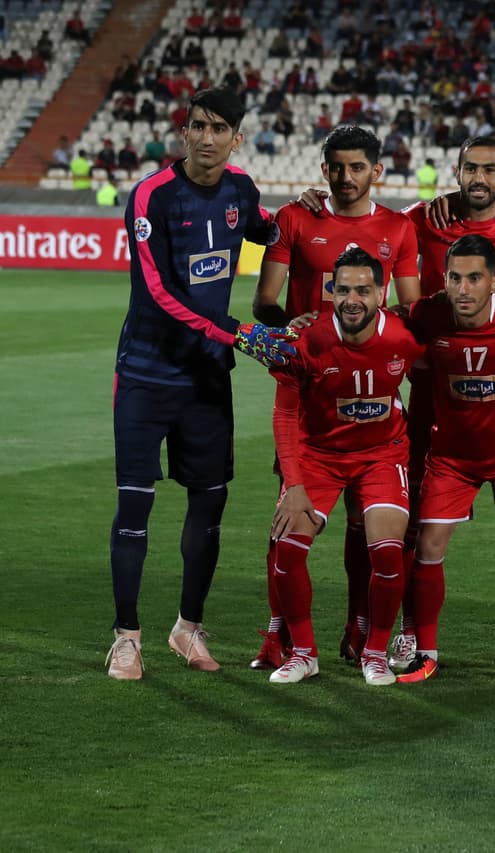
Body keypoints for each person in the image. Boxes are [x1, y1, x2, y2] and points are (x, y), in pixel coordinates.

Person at [106, 87, 297, 680]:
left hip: (207, 382)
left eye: (219, 128)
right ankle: (126, 637)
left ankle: (187, 628)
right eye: (198, 126)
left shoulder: (241, 189)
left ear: (236, 137)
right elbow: (159, 295)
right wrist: (239, 333)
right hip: (146, 373)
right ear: (184, 132)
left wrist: (306, 211)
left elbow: (271, 232)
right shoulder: (151, 195)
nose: (207, 137)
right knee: (135, 507)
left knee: (208, 507)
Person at [249, 124, 420, 671]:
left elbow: (412, 312)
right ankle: (280, 637)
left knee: (363, 527)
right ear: (323, 168)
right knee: (288, 521)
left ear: (377, 171)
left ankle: (359, 630)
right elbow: (265, 303)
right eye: (337, 167)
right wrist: (289, 328)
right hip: (309, 386)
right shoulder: (295, 218)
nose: (347, 177)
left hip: (369, 391)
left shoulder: (399, 227)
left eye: (357, 167)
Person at [400, 136, 495, 669]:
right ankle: (414, 638)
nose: (479, 177)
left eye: (489, 168)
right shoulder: (425, 220)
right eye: (469, 168)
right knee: (417, 530)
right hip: (439, 408)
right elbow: (376, 238)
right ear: (457, 171)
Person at [266, 248, 423, 686]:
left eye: (364, 290)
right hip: (319, 456)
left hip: (383, 455)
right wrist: (293, 484)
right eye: (344, 289)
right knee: (287, 550)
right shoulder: (307, 340)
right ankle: (303, 653)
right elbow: (284, 415)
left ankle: (374, 653)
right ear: (332, 291)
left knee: (387, 550)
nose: (353, 299)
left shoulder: (405, 337)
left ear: (382, 292)